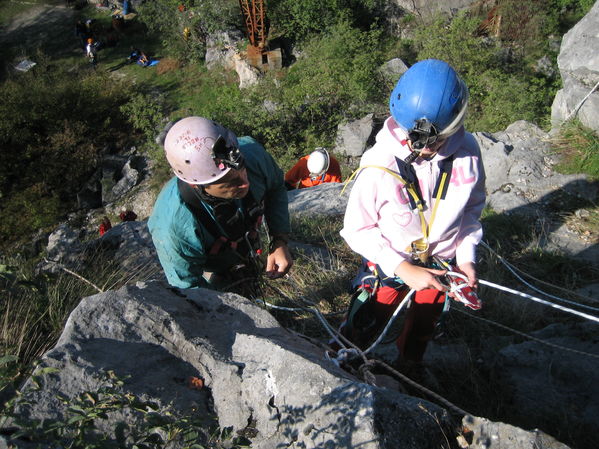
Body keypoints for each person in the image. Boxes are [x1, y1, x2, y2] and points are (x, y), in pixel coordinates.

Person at [339, 59, 486, 374]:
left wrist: (466, 257)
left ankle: (409, 366)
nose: (425, 149)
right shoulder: (379, 164)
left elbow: (471, 212)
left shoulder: (468, 153)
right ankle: (344, 357)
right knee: (369, 315)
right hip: (391, 262)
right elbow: (356, 229)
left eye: (437, 141)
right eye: (419, 140)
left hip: (441, 264)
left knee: (424, 322)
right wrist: (402, 267)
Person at [148, 117, 293, 296]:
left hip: (242, 243)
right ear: (197, 185)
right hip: (209, 264)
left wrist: (279, 241)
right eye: (228, 182)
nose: (244, 183)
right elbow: (188, 287)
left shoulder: (253, 154)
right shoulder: (174, 225)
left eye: (242, 168)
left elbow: (275, 188)